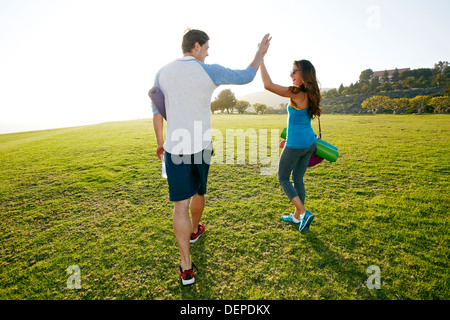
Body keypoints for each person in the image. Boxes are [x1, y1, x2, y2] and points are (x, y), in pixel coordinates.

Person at [150, 29, 271, 285]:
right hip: (201, 147)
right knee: (199, 193)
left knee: (179, 205)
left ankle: (186, 267)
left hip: (175, 148)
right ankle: (195, 230)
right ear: (196, 46)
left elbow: (157, 111)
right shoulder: (208, 70)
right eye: (206, 47)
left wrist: (161, 143)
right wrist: (259, 53)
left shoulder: (162, 72)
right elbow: (247, 75)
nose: (208, 52)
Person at [259, 57, 322, 233]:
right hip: (309, 142)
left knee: (283, 178)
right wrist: (287, 139)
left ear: (304, 74)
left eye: (294, 71)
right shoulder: (312, 93)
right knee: (298, 179)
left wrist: (262, 59)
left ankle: (303, 213)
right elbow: (300, 121)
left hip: (297, 145)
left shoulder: (296, 92)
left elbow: (268, 85)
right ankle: (296, 217)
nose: (291, 74)